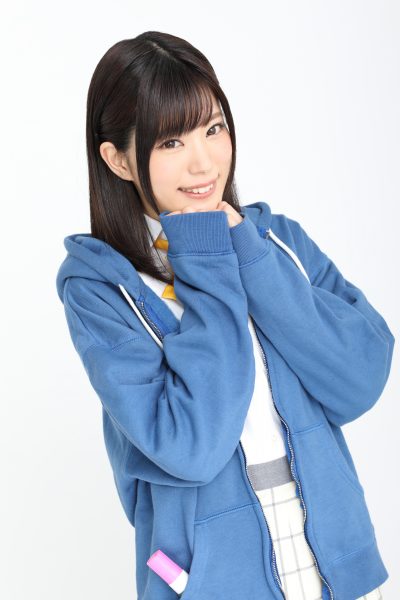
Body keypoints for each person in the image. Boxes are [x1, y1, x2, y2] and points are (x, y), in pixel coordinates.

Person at [55, 31, 394, 600]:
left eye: (213, 129)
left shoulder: (276, 242)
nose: (204, 162)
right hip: (212, 580)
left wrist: (250, 256)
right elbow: (192, 446)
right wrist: (206, 254)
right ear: (117, 159)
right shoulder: (100, 290)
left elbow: (359, 380)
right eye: (171, 141)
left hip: (342, 562)